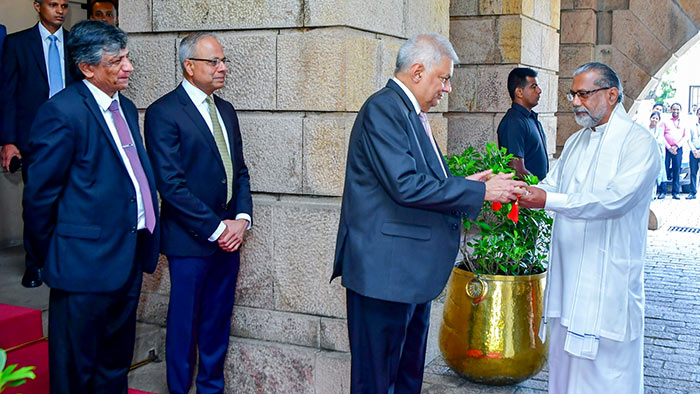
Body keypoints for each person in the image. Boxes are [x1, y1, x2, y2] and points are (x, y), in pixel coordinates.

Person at [331, 33, 525, 393]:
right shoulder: (384, 108)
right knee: (377, 381)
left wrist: (466, 181)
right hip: (385, 276)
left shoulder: (407, 111)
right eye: (444, 78)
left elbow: (416, 179)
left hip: (406, 274)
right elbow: (404, 184)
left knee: (405, 378)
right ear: (417, 71)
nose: (448, 88)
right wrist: (482, 191)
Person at [22, 20, 160, 394]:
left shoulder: (126, 108)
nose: (127, 67)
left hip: (128, 256)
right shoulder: (62, 112)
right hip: (81, 266)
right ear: (87, 68)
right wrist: (49, 255)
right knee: (75, 373)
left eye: (127, 58)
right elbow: (39, 197)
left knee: (114, 365)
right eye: (117, 61)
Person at [520, 62, 659, 393]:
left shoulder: (638, 143)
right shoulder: (576, 142)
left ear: (611, 95)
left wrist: (548, 200)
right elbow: (551, 186)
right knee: (566, 371)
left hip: (608, 282)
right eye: (573, 94)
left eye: (583, 94)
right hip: (569, 280)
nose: (575, 102)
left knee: (606, 376)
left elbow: (613, 201)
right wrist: (519, 191)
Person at [144, 32, 252, 394]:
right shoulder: (163, 112)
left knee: (217, 321)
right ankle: (178, 388)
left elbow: (238, 171)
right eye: (214, 61)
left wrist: (241, 220)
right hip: (190, 241)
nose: (222, 68)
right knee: (184, 324)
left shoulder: (225, 110)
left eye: (224, 61)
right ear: (189, 66)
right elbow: (171, 186)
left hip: (230, 240)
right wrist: (215, 229)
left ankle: (211, 388)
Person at [0, 0, 77, 288]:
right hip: (35, 139)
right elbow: (7, 94)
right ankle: (35, 264)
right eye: (53, 4)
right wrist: (8, 142)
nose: (60, 10)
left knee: (72, 201)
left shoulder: (74, 44)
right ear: (37, 5)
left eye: (64, 5)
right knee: (36, 203)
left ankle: (65, 260)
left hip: (72, 136)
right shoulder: (17, 43)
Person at [497, 67, 549, 180]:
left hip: (536, 193)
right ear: (519, 92)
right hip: (525, 194)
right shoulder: (514, 122)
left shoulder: (531, 119)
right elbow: (516, 169)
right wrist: (539, 188)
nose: (539, 90)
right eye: (533, 87)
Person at [660, 102, 687, 199]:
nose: (675, 111)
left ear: (680, 110)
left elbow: (685, 136)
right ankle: (663, 191)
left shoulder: (683, 122)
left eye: (677, 109)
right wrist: (669, 147)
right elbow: (661, 135)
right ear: (670, 110)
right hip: (667, 149)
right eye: (674, 109)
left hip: (678, 149)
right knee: (665, 169)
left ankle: (675, 192)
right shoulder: (665, 121)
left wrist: (677, 146)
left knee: (677, 169)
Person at [648, 111, 666, 198]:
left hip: (656, 155)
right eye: (653, 118)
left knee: (654, 175)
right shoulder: (645, 128)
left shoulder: (659, 131)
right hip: (646, 156)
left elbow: (660, 141)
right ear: (650, 118)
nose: (654, 120)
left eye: (656, 118)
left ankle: (652, 195)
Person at [688, 107, 700, 199]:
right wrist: (694, 150)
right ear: (697, 114)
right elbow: (689, 140)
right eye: (699, 113)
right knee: (693, 172)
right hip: (694, 152)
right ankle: (692, 192)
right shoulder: (692, 126)